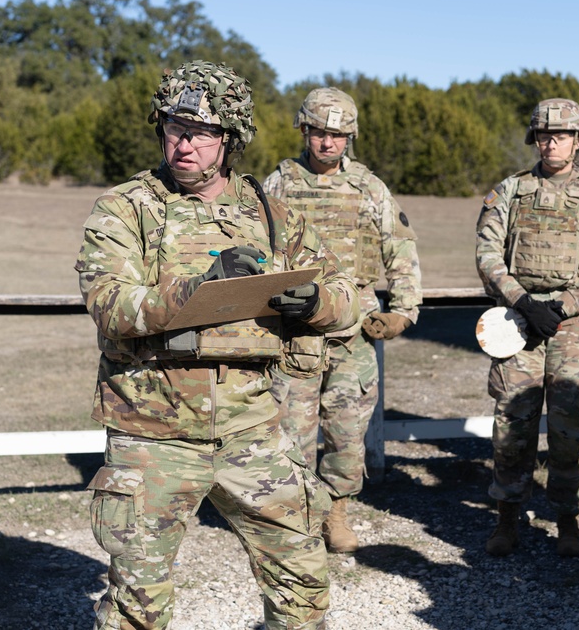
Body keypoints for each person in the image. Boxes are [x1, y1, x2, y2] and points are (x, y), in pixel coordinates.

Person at [76, 61, 359, 630]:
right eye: (174, 129)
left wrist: (316, 304)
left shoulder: (269, 213)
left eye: (201, 132)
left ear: (229, 139)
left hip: (251, 427)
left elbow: (346, 294)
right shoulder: (128, 207)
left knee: (302, 580)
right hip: (153, 433)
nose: (184, 145)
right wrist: (200, 288)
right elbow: (108, 300)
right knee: (138, 602)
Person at [262, 87, 422, 553]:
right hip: (295, 329)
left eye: (336, 135)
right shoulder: (279, 184)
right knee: (291, 430)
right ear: (304, 131)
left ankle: (336, 512)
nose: (327, 143)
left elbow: (401, 249)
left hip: (354, 329)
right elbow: (257, 248)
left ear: (349, 137)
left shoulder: (368, 188)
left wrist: (403, 313)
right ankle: (295, 521)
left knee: (347, 430)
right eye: (318, 133)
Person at [475, 98, 579, 557]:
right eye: (543, 134)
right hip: (518, 321)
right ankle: (506, 520)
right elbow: (486, 253)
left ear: (578, 140)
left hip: (572, 327)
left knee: (569, 429)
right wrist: (522, 300)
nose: (551, 141)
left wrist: (561, 306)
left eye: (561, 134)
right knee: (511, 427)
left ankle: (568, 522)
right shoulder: (511, 191)